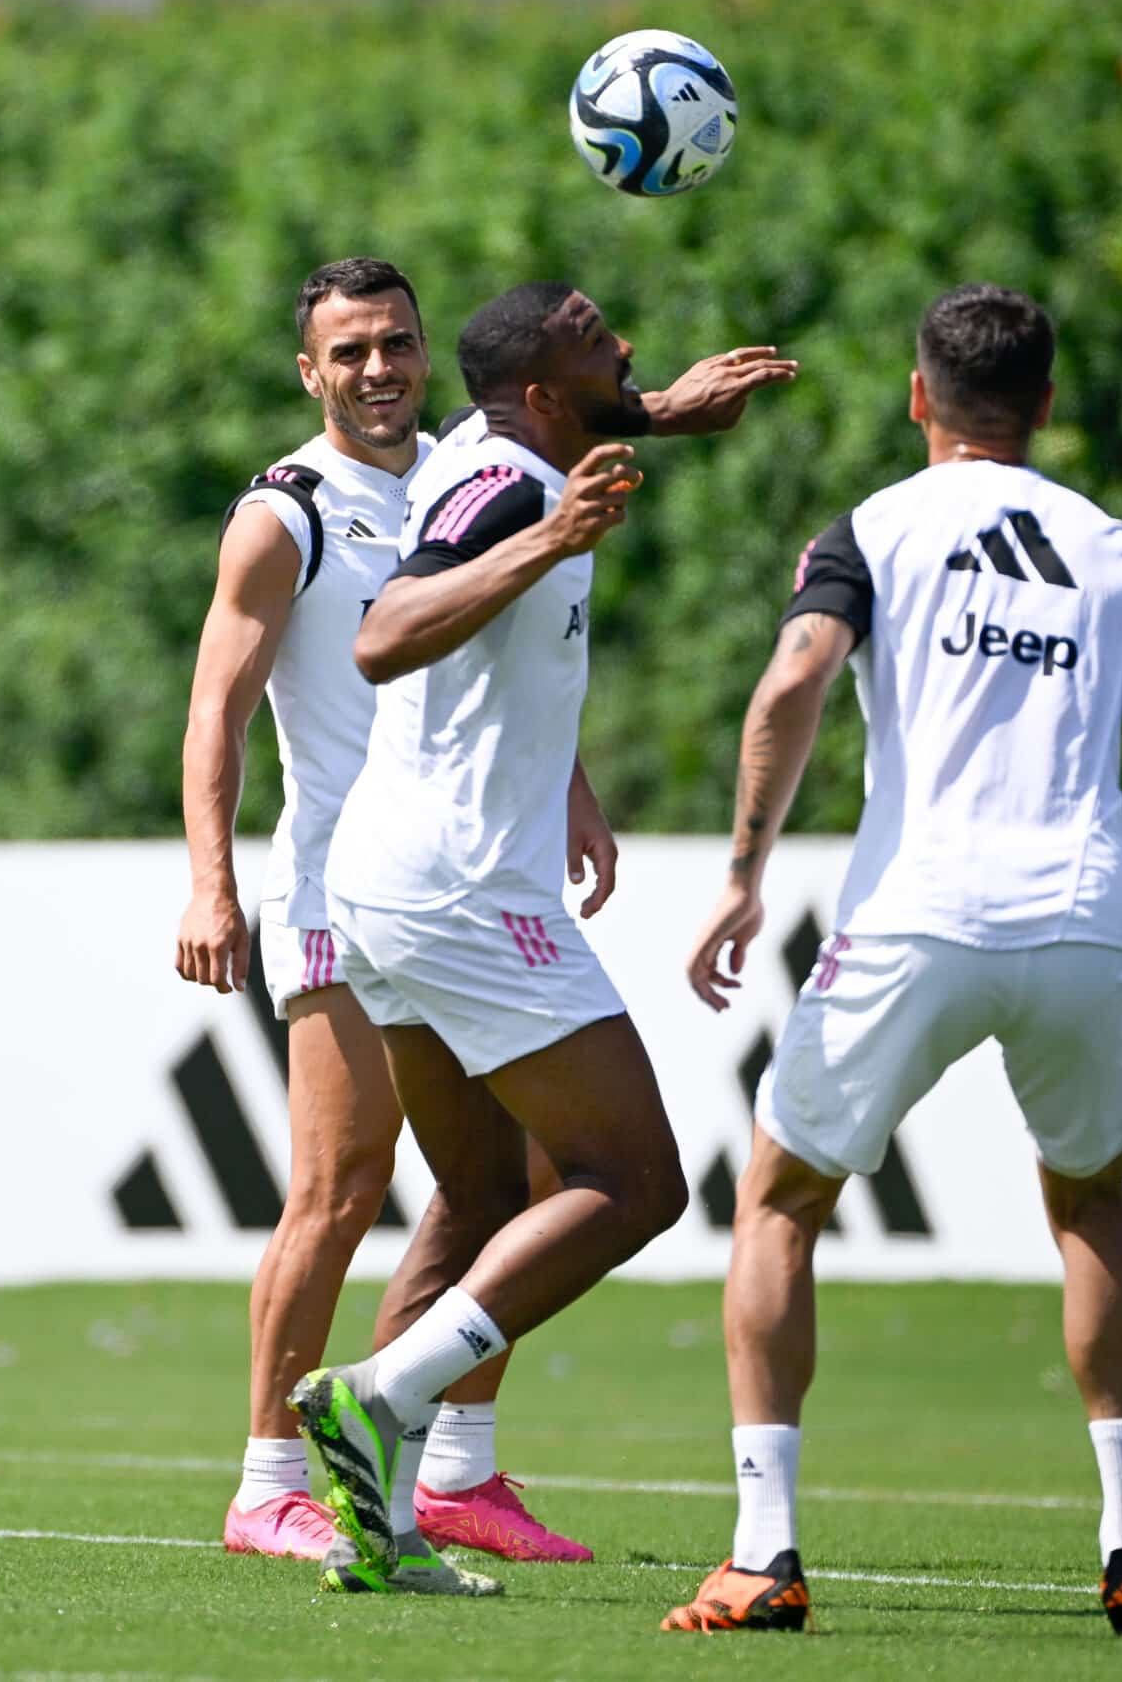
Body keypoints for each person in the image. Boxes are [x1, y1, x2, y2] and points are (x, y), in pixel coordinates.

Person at [662, 282, 1122, 1639]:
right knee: (1091, 1212)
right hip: (1084, 925)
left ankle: (764, 1554)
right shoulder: (1112, 548)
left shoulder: (871, 529)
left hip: (916, 920)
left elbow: (794, 684)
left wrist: (744, 878)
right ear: (1045, 406)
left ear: (920, 397)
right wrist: (1115, 878)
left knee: (781, 1201)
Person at [290, 282, 796, 1596]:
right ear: (542, 396)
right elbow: (383, 633)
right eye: (593, 339)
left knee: (476, 1199)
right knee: (633, 1181)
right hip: (464, 893)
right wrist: (549, 535)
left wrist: (666, 413)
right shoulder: (513, 490)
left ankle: (382, 1530)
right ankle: (384, 1394)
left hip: (399, 885)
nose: (623, 341)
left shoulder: (498, 447)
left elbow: (532, 435)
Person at [176, 258, 591, 1573]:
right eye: (347, 351)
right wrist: (209, 880)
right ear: (309, 372)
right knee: (343, 1187)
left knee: (514, 1178)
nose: (377, 370)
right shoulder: (286, 513)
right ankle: (267, 1482)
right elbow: (217, 708)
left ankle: (456, 1468)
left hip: (457, 883)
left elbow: (493, 651)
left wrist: (573, 786)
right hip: (340, 899)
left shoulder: (464, 473)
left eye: (395, 344)